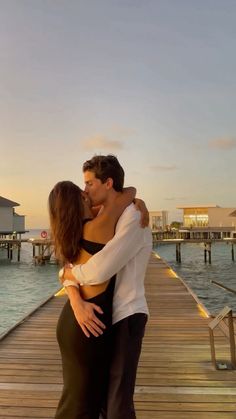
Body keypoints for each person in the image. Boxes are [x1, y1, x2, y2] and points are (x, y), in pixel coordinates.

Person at [61, 155, 152, 419]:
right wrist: (76, 300)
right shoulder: (107, 217)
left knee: (117, 406)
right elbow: (69, 266)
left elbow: (100, 269)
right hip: (106, 318)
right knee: (102, 402)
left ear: (108, 183)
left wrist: (69, 273)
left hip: (127, 316)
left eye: (89, 183)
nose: (85, 190)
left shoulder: (134, 216)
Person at [48, 178, 137, 419]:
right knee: (80, 405)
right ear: (75, 203)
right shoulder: (95, 228)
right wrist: (136, 197)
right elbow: (125, 196)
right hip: (86, 327)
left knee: (81, 398)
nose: (86, 193)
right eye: (81, 192)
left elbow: (67, 274)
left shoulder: (78, 230)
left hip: (77, 320)